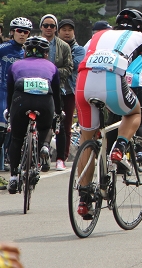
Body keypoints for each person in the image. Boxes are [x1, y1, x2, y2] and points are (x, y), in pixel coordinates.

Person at [75, 9, 142, 218]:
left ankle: (84, 200)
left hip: (83, 82)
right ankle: (120, 147)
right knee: (134, 113)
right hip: (112, 81)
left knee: (86, 139)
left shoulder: (98, 35)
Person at [5, 37, 62, 195]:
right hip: (45, 100)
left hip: (20, 99)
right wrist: (59, 111)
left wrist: (9, 110)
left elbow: (10, 92)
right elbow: (56, 94)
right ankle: (44, 145)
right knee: (45, 126)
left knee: (17, 138)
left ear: (25, 52)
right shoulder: (52, 66)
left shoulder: (15, 65)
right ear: (45, 54)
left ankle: (14, 177)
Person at [38, 14, 72, 172]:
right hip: (36, 87)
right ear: (41, 27)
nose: (49, 28)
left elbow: (69, 68)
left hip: (57, 88)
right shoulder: (33, 42)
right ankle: (38, 157)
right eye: (46, 25)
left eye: (52, 26)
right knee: (38, 123)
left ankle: (60, 158)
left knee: (59, 123)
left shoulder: (63, 46)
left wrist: (51, 72)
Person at [0, 18, 33, 180]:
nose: (22, 34)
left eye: (26, 32)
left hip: (18, 94)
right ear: (12, 32)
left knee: (14, 131)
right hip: (2, 92)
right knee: (1, 129)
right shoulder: (3, 49)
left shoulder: (27, 52)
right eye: (19, 31)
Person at [55, 19, 85, 171]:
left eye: (70, 30)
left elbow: (75, 67)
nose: (67, 32)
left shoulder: (79, 50)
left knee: (66, 124)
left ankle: (63, 156)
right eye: (63, 29)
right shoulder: (52, 46)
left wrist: (56, 65)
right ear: (58, 31)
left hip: (70, 90)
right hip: (53, 89)